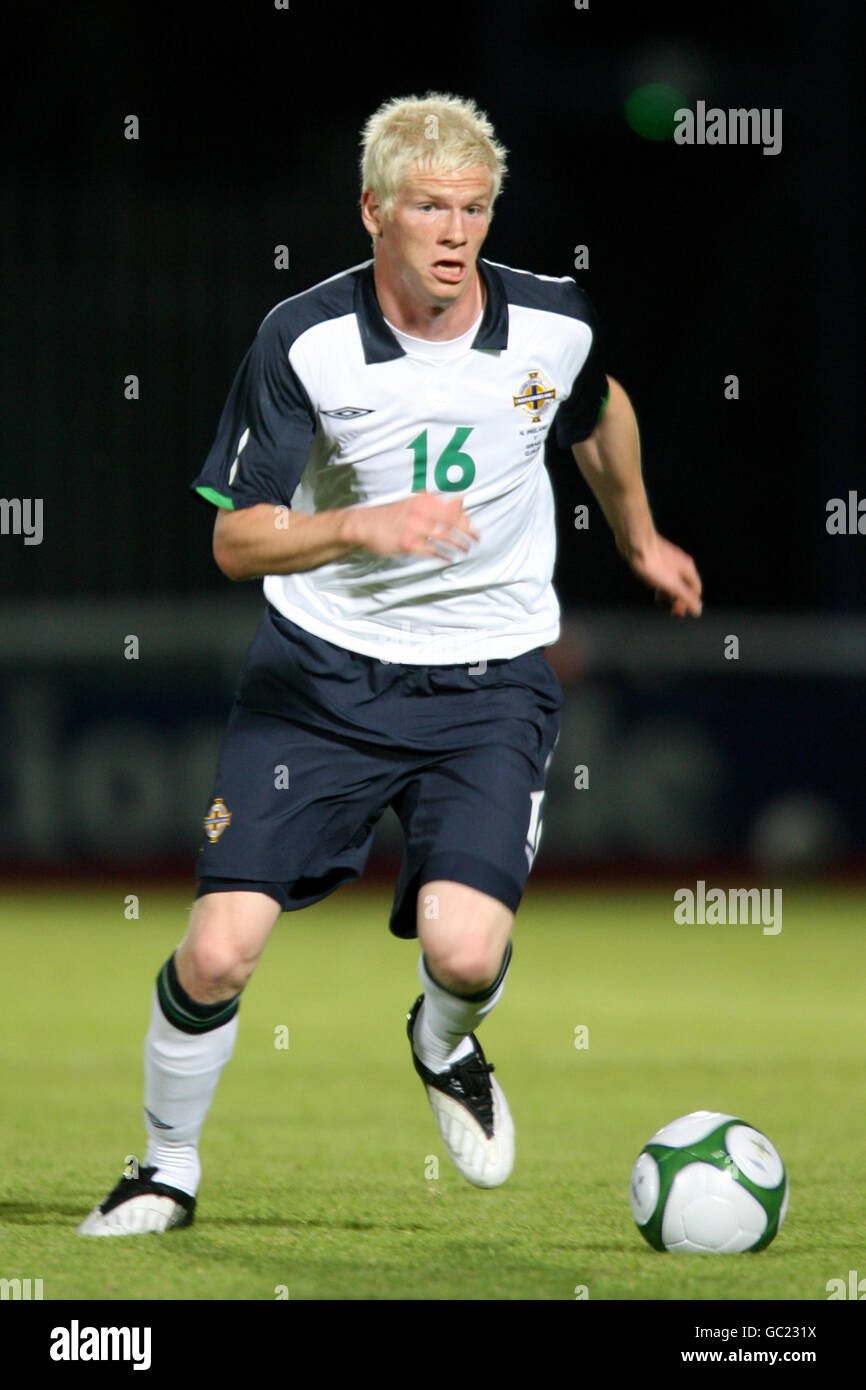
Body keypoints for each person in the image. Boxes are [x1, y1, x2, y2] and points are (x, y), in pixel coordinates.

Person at [78, 92, 701, 1236]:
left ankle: (440, 1038)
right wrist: (357, 527)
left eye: (472, 208)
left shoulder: (551, 323)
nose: (455, 232)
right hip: (318, 675)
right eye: (428, 207)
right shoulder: (302, 338)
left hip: (487, 682)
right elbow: (232, 538)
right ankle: (165, 1169)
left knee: (465, 950)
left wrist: (638, 535)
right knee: (218, 953)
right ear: (372, 211)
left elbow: (598, 412)